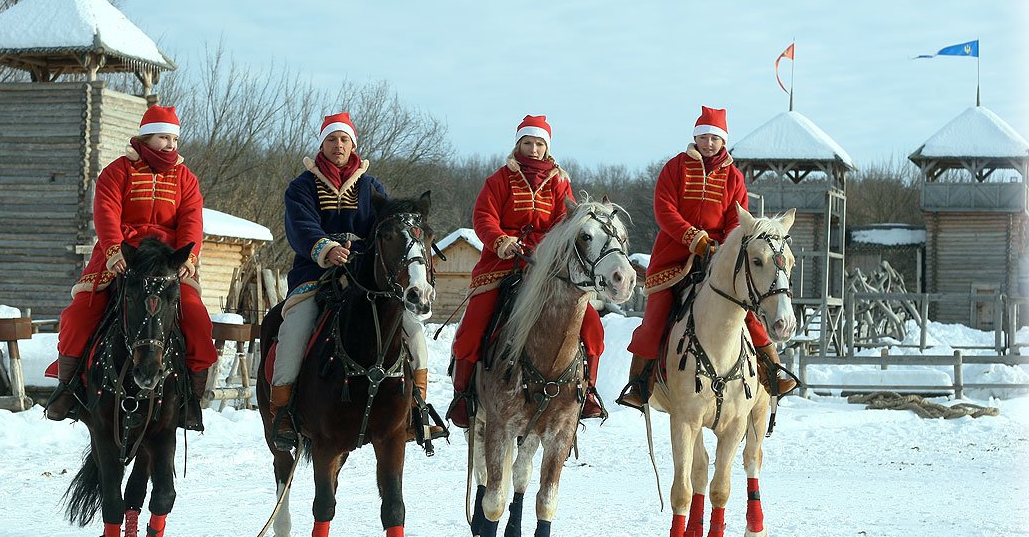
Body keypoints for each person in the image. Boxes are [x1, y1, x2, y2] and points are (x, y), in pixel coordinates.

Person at [269, 112, 441, 449]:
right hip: (315, 274)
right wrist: (327, 248)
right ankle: (283, 411)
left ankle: (415, 409)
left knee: (414, 331)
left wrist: (362, 252)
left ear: (353, 145)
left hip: (365, 277)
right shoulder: (301, 186)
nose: (338, 145)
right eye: (332, 139)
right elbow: (300, 227)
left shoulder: (371, 187)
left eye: (344, 139)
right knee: (294, 329)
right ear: (322, 143)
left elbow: (386, 231)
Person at [45, 105, 217, 428]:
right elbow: (106, 210)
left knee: (196, 317)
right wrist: (112, 249)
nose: (171, 146)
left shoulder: (186, 179)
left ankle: (190, 399)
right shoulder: (117, 171)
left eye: (175, 140)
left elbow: (192, 220)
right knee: (79, 314)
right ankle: (67, 389)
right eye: (164, 138)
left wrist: (188, 259)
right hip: (122, 258)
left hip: (166, 264)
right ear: (146, 137)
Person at [617, 106, 797, 409]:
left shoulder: (734, 177)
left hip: (719, 259)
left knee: (747, 312)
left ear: (723, 141)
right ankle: (640, 383)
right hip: (673, 258)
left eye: (715, 137)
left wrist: (720, 246)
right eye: (704, 136)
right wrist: (693, 238)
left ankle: (772, 371)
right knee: (654, 320)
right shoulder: (675, 168)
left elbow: (737, 220)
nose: (709, 142)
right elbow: (665, 210)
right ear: (695, 136)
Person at [446, 114, 606, 428]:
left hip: (547, 270)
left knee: (592, 328)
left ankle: (586, 392)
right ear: (518, 144)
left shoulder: (560, 182)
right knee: (470, 331)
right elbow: (483, 217)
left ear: (547, 148)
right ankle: (463, 396)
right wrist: (500, 240)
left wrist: (551, 250)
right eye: (528, 143)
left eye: (539, 144)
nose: (533, 149)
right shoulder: (499, 179)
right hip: (502, 265)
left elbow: (568, 223)